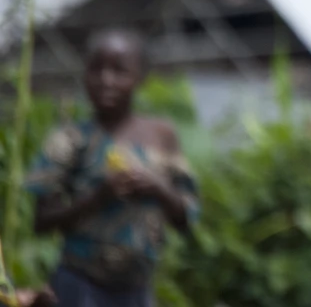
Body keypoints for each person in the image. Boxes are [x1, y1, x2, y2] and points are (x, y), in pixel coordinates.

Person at [25, 29, 199, 307]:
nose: (106, 80)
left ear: (140, 77)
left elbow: (187, 218)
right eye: (96, 69)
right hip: (79, 284)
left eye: (120, 71)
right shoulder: (70, 139)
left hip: (137, 290)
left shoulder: (162, 137)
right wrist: (99, 196)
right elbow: (41, 222)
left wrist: (158, 186)